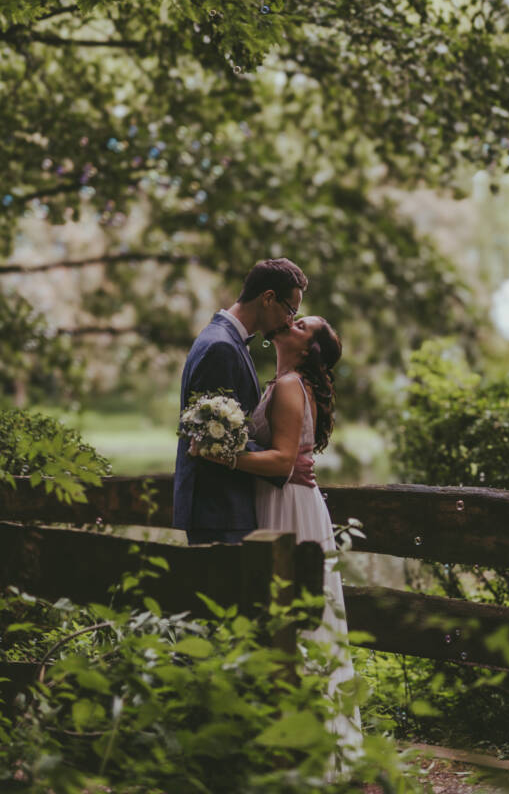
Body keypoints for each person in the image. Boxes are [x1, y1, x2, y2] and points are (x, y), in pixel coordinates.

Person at [198, 314, 362, 748]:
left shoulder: (290, 386)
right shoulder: (283, 380)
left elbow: (282, 462)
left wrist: (221, 455)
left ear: (308, 347)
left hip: (288, 507)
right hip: (280, 500)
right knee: (289, 618)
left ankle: (308, 744)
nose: (290, 321)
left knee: (295, 620)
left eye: (301, 324)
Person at [173, 257, 312, 544]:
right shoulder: (221, 348)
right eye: (290, 310)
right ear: (268, 298)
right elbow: (213, 438)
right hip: (219, 509)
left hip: (223, 508)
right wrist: (282, 461)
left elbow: (225, 433)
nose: (290, 321)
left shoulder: (224, 340)